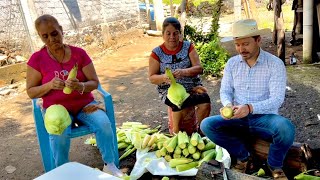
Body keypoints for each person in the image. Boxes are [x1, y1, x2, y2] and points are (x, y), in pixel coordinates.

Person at [26, 14, 123, 177]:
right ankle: (63, 172)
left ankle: (110, 164)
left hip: (85, 106)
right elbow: (31, 91)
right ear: (40, 37)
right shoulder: (37, 59)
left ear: (61, 31)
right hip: (57, 110)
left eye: (54, 33)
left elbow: (94, 82)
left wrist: (80, 86)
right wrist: (49, 85)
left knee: (104, 124)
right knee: (59, 134)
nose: (51, 39)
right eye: (45, 36)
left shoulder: (79, 54)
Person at [200, 19, 295, 180]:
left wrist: (250, 108)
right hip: (237, 118)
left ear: (258, 40)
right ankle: (243, 156)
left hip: (265, 119)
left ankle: (274, 164)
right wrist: (228, 106)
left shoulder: (275, 64)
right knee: (207, 125)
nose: (241, 49)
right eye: (237, 44)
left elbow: (277, 99)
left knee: (286, 128)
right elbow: (225, 91)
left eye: (245, 44)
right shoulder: (232, 64)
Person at [148, 17, 211, 135]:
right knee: (177, 103)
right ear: (163, 35)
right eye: (168, 33)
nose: (172, 37)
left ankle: (200, 132)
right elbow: (152, 78)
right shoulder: (156, 53)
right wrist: (163, 78)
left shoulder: (188, 47)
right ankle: (176, 134)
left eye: (175, 33)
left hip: (192, 85)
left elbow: (199, 68)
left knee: (205, 100)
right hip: (169, 90)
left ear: (180, 34)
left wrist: (184, 72)